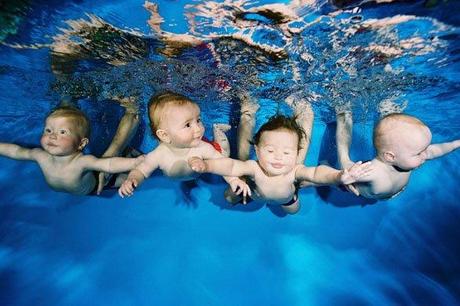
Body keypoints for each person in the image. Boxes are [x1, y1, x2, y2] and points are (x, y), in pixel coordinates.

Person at [188, 97, 373, 214]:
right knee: (229, 197)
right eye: (270, 151)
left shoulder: (294, 170)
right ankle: (250, 111)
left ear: (294, 154)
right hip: (254, 192)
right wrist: (206, 166)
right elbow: (230, 166)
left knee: (293, 210)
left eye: (286, 153)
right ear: (258, 151)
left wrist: (339, 176)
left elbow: (317, 173)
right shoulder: (253, 167)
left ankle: (304, 112)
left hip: (288, 196)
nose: (278, 157)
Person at [118, 92, 249, 198]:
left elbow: (223, 164)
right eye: (188, 124)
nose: (199, 128)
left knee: (223, 152)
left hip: (201, 155)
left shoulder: (203, 147)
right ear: (164, 135)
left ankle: (218, 131)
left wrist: (233, 180)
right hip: (188, 166)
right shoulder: (159, 155)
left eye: (198, 120)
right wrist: (132, 180)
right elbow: (141, 171)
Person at [0, 106, 144, 195]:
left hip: (96, 187)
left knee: (134, 181)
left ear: (81, 143)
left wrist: (134, 163)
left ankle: (133, 153)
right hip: (81, 190)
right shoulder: (40, 156)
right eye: (48, 130)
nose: (53, 135)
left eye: (62, 132)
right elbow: (16, 151)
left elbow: (109, 165)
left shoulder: (82, 162)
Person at [336, 111, 460, 200]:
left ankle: (386, 110)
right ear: (390, 156)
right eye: (419, 153)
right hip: (363, 190)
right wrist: (342, 176)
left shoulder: (411, 156)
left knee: (391, 132)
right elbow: (341, 176)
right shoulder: (372, 172)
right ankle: (343, 114)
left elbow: (436, 150)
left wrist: (456, 144)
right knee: (343, 174)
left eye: (425, 149)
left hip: (386, 190)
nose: (425, 154)